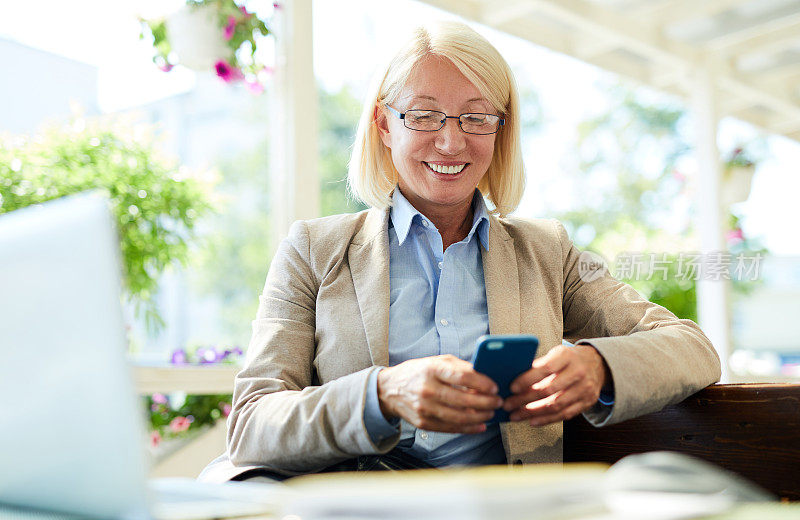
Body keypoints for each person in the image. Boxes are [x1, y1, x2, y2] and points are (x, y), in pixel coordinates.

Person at [199, 21, 720, 483]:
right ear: (384, 124)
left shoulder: (549, 252)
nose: (451, 143)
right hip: (357, 515)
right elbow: (252, 424)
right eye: (424, 116)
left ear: (501, 128)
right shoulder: (314, 251)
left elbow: (692, 347)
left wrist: (599, 365)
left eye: (476, 118)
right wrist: (382, 395)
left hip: (499, 515)